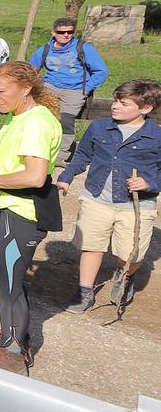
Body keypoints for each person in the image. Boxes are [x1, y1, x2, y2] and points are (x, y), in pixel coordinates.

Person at [0, 61, 64, 369]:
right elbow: (10, 150)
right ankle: (11, 335)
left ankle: (14, 344)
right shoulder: (19, 117)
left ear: (26, 88)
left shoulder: (36, 122)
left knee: (8, 282)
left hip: (23, 213)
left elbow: (34, 176)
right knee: (5, 278)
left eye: (0, 91)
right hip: (10, 210)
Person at [58, 79, 160, 313]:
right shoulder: (99, 127)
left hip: (136, 206)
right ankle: (85, 292)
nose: (115, 106)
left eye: (124, 103)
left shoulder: (156, 136)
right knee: (91, 246)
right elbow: (83, 155)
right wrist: (67, 176)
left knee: (130, 254)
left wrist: (148, 182)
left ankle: (125, 274)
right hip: (96, 199)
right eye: (115, 100)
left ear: (145, 109)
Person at [28, 17, 109, 158]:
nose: (66, 35)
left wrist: (86, 88)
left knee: (66, 120)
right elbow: (31, 69)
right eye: (61, 32)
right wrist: (38, 85)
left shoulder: (83, 48)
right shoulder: (45, 49)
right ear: (53, 32)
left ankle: (62, 155)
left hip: (75, 90)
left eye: (70, 32)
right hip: (50, 87)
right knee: (44, 119)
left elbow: (101, 71)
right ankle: (41, 149)